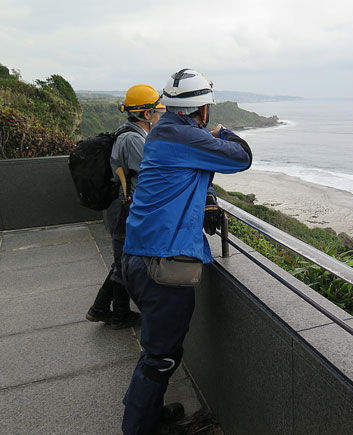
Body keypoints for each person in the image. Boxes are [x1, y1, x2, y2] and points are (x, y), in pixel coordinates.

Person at [120, 69, 252, 434]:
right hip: (159, 264)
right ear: (203, 109)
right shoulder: (187, 137)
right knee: (160, 357)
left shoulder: (162, 131)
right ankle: (138, 428)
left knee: (161, 351)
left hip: (138, 256)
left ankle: (148, 413)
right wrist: (222, 133)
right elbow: (242, 157)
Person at [86, 84, 166, 330]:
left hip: (122, 206)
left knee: (123, 260)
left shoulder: (129, 132)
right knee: (123, 262)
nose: (160, 116)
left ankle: (117, 313)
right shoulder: (133, 139)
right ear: (146, 114)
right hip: (124, 209)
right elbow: (150, 175)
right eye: (157, 112)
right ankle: (103, 309)